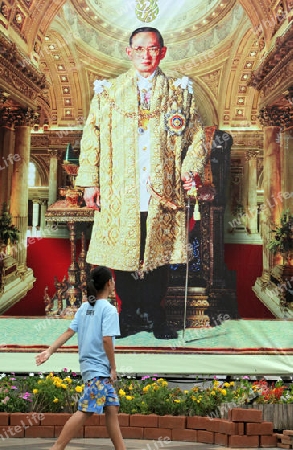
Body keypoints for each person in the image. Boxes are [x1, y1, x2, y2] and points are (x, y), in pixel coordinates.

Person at [75, 27, 206, 339]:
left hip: (164, 191)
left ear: (162, 51)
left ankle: (156, 315)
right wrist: (90, 183)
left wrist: (190, 169)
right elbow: (91, 139)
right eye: (140, 48)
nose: (146, 55)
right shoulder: (108, 92)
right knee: (126, 254)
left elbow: (198, 136)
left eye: (153, 49)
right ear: (129, 51)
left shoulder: (180, 93)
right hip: (120, 188)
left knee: (158, 256)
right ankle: (128, 314)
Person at [35, 266, 126, 450]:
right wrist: (113, 368)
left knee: (111, 409)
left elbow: (69, 332)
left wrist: (50, 350)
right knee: (85, 410)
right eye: (113, 280)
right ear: (109, 283)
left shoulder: (85, 307)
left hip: (90, 368)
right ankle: (57, 447)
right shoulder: (109, 309)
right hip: (99, 370)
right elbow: (107, 340)